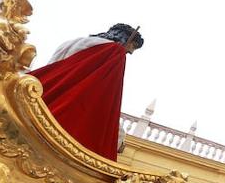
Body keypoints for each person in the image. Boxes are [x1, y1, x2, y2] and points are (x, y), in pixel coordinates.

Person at [29, 23, 143, 161]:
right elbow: (103, 100)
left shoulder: (72, 43)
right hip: (68, 115)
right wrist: (116, 137)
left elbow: (51, 69)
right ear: (126, 41)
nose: (126, 54)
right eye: (128, 51)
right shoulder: (114, 52)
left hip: (42, 97)